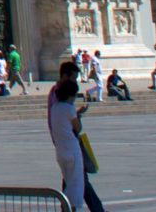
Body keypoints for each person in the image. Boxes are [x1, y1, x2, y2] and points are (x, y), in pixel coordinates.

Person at [48, 60, 104, 211]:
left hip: (61, 146)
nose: (74, 81)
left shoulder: (57, 103)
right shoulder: (59, 96)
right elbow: (76, 127)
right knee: (78, 182)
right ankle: (78, 208)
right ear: (65, 76)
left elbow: (55, 119)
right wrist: (76, 116)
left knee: (73, 180)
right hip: (70, 145)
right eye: (73, 77)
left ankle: (73, 207)